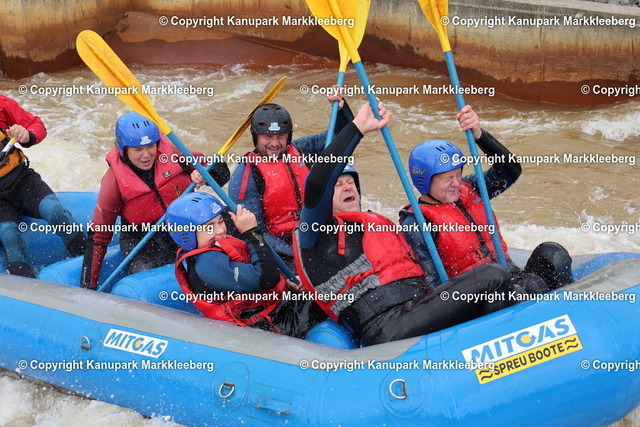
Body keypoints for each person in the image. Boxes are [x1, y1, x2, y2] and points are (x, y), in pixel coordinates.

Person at [293, 101, 517, 347]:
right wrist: (357, 128)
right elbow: (318, 181)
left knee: (500, 296)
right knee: (492, 275)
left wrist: (479, 134)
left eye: (350, 183)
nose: (347, 188)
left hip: (416, 307)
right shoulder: (314, 234)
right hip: (385, 325)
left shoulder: (373, 225)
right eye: (338, 185)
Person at [401, 105, 573, 293]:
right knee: (531, 285)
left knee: (552, 253)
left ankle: (572, 305)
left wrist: (479, 135)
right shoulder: (417, 223)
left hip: (510, 275)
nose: (456, 183)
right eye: (447, 178)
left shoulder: (471, 188)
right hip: (478, 295)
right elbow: (431, 285)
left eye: (458, 175)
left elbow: (510, 170)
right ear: (424, 181)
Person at [81, 112, 229, 289]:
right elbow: (99, 234)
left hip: (185, 225)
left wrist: (205, 173)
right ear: (123, 149)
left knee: (232, 231)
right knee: (143, 273)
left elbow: (221, 173)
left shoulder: (173, 153)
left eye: (150, 146)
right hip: (143, 238)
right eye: (137, 150)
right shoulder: (113, 181)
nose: (146, 155)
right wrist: (89, 287)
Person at [166, 192, 325, 338]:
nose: (220, 230)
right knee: (328, 296)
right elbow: (266, 278)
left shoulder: (212, 247)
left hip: (271, 309)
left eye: (220, 221)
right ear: (186, 235)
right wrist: (251, 232)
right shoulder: (208, 264)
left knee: (322, 283)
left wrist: (285, 284)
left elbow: (259, 274)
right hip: (266, 326)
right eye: (209, 227)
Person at [228, 93, 353, 265]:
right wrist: (297, 255)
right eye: (268, 137)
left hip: (316, 233)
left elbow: (342, 135)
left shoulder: (301, 149)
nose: (274, 143)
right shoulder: (246, 175)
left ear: (289, 136)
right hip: (282, 251)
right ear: (256, 137)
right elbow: (254, 233)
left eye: (280, 136)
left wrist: (340, 107)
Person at [0, 95, 86, 278]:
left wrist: (26, 135)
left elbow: (36, 125)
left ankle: (89, 261)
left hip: (22, 181)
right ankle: (24, 284)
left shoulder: (2, 104)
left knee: (55, 212)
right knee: (9, 235)